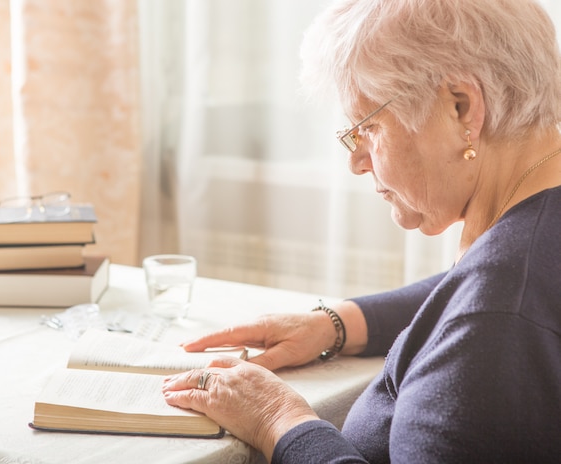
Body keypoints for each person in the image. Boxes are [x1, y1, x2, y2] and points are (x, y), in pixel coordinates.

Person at [162, 0, 561, 462]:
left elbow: (492, 312)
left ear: (462, 108)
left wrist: (279, 420)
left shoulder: (497, 319)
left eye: (366, 128)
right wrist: (336, 324)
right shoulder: (533, 234)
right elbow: (472, 293)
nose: (355, 161)